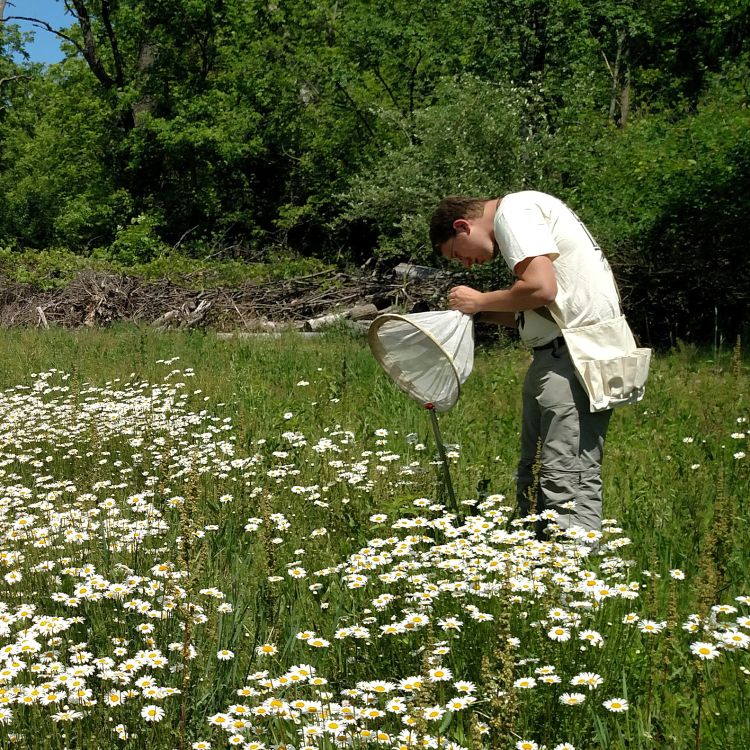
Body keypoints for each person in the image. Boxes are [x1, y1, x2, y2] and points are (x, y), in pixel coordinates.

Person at [430, 191, 621, 539]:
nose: (467, 264)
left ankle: (569, 568)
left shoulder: (513, 211)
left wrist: (479, 299)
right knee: (536, 472)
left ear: (462, 226)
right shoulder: (521, 215)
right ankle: (537, 561)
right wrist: (481, 311)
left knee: (566, 473)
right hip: (557, 355)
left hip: (572, 358)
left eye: (459, 254)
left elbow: (541, 289)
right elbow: (542, 308)